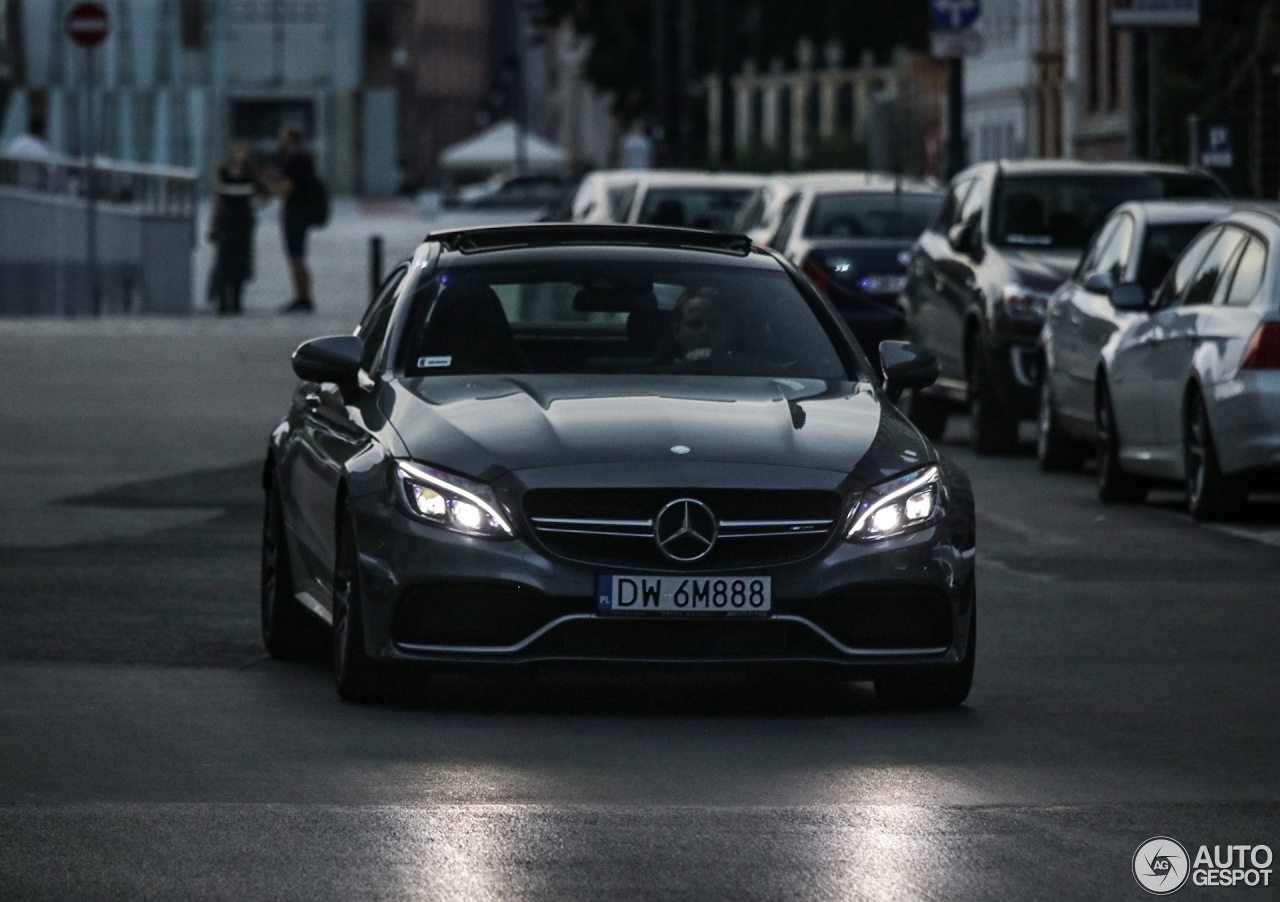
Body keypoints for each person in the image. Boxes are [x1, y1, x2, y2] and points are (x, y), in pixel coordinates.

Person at [206, 142, 264, 315]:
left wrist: (256, 205)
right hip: (227, 220)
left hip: (243, 222)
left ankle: (237, 301)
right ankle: (222, 301)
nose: (241, 155)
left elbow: (267, 189)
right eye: (239, 151)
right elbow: (217, 197)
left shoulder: (251, 174)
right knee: (224, 261)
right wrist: (213, 222)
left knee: (241, 260)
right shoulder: (223, 172)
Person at [268, 126, 319, 313]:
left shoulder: (294, 160)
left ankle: (303, 297)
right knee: (298, 256)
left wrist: (270, 187)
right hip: (302, 212)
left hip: (295, 214)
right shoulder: (305, 158)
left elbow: (287, 189)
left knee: (296, 257)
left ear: (290, 139)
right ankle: (302, 296)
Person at [670, 287, 733, 361]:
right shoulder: (659, 371)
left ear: (728, 331)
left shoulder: (743, 367)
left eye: (714, 325)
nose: (705, 331)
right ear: (676, 331)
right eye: (694, 324)